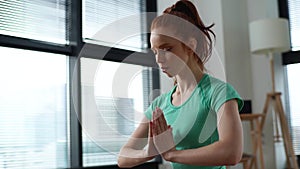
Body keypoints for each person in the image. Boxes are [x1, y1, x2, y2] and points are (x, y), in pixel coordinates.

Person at [118, 0, 244, 168]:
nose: (159, 59)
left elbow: (232, 151)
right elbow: (123, 157)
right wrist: (148, 152)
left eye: (167, 49)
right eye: (155, 51)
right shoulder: (160, 105)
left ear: (190, 45)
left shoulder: (219, 92)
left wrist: (172, 154)